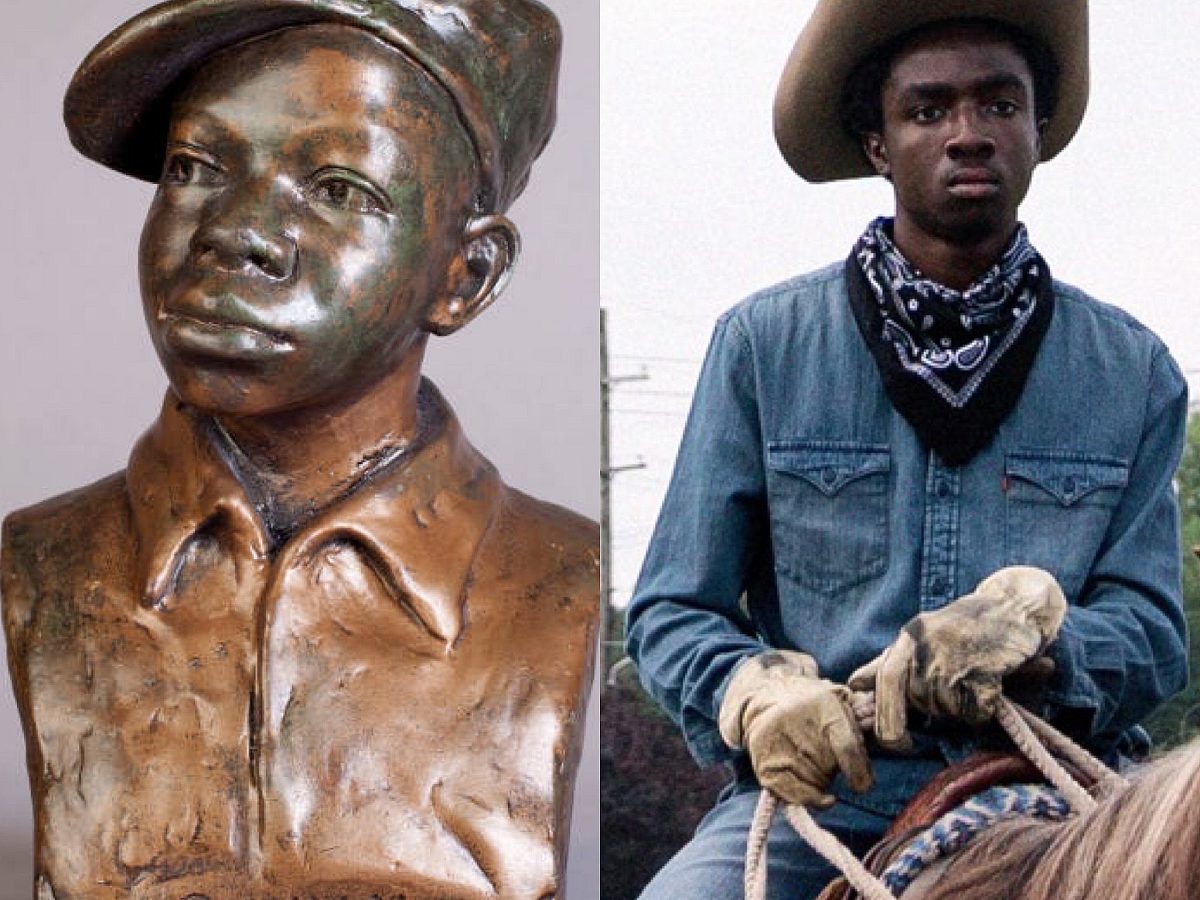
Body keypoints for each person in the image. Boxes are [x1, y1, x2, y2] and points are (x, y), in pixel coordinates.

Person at [1, 1, 597, 897]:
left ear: (464, 277)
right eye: (194, 167)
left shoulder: (572, 576)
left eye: (338, 189)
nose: (231, 231)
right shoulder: (40, 559)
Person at [625, 1, 1188, 897]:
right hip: (831, 798)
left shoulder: (1133, 371)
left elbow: (1157, 634)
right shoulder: (763, 347)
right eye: (928, 111)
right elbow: (669, 609)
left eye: (1000, 106)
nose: (969, 135)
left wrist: (1044, 648)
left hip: (1057, 786)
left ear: (1037, 129)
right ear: (878, 145)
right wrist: (757, 694)